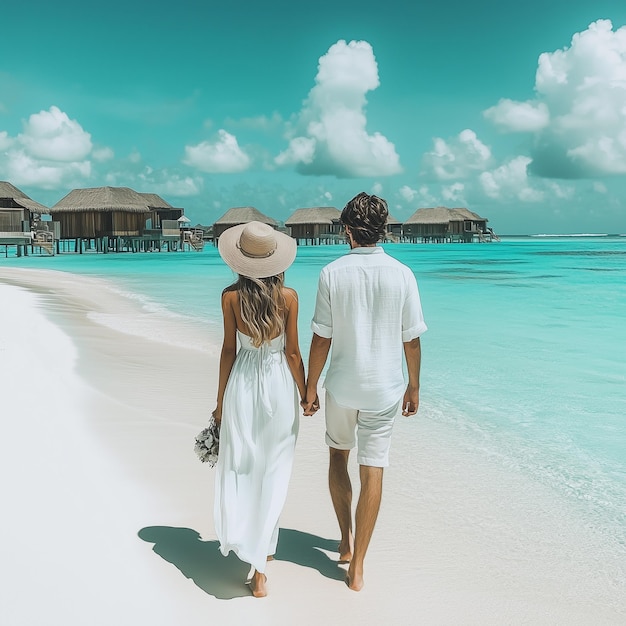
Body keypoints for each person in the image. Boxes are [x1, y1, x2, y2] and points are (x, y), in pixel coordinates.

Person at [302, 192, 427, 592]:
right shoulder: (403, 273)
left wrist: (309, 386)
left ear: (347, 230)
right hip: (385, 388)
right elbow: (412, 341)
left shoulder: (331, 273)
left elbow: (322, 338)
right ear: (384, 229)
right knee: (373, 469)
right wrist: (414, 385)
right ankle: (357, 568)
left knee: (338, 456)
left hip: (341, 385)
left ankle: (344, 539)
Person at [213, 220, 306, 598]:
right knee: (275, 471)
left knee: (243, 466)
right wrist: (307, 393)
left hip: (242, 385)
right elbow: (294, 353)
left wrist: (220, 403)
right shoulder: (289, 298)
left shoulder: (230, 297)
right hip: (279, 386)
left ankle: (251, 552)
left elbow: (228, 352)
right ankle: (260, 566)